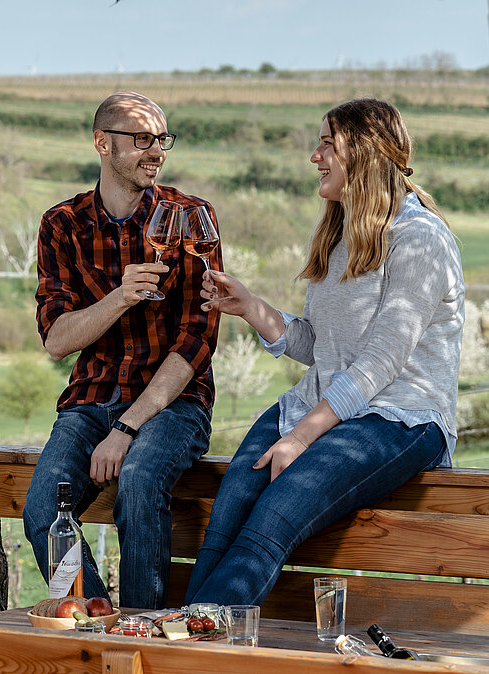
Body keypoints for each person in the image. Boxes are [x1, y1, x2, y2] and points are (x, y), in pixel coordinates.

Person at [184, 98, 464, 606]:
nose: (315, 156)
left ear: (365, 154)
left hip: (400, 417)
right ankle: (183, 640)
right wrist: (250, 307)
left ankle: (189, 647)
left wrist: (300, 438)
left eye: (327, 144)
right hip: (327, 404)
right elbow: (322, 345)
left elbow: (381, 359)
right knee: (223, 525)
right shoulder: (341, 236)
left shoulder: (421, 239)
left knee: (270, 522)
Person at [23, 91, 221, 610]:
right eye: (141, 140)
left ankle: (144, 634)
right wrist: (119, 298)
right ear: (102, 143)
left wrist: (127, 426)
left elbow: (199, 338)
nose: (156, 151)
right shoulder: (62, 225)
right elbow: (56, 340)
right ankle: (96, 617)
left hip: (170, 404)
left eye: (162, 140)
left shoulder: (191, 218)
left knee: (138, 480)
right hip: (89, 401)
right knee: (43, 509)